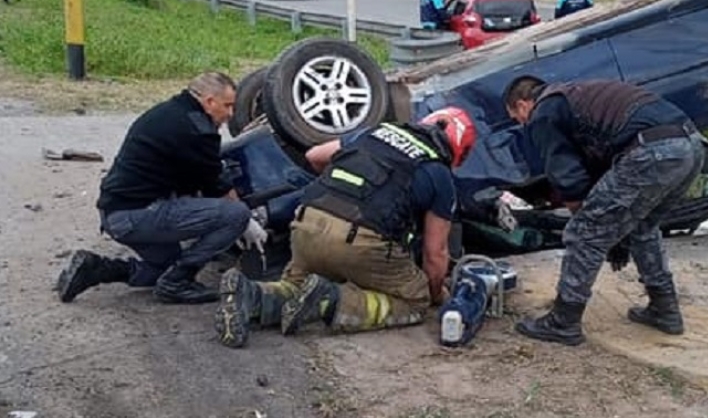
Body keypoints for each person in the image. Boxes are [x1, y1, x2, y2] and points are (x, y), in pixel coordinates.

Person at [213, 107, 478, 349]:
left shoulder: (375, 132)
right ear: (458, 151)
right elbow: (435, 254)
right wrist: (435, 295)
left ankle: (251, 294)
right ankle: (329, 301)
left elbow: (314, 156)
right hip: (360, 241)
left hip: (306, 224)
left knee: (295, 286)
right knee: (414, 299)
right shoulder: (438, 173)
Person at [502, 76, 707, 346]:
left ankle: (564, 321)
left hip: (652, 151)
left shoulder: (544, 112)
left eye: (516, 117)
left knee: (584, 233)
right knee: (642, 228)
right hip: (691, 145)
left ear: (522, 104)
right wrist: (615, 235)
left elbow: (569, 180)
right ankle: (664, 309)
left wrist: (599, 232)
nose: (521, 124)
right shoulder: (576, 97)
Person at [56, 72, 253, 305]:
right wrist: (248, 222)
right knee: (236, 214)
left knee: (165, 269)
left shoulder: (168, 112)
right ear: (209, 101)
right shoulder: (197, 130)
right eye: (227, 106)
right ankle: (177, 283)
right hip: (136, 215)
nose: (231, 114)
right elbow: (217, 185)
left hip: (114, 212)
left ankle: (96, 269)